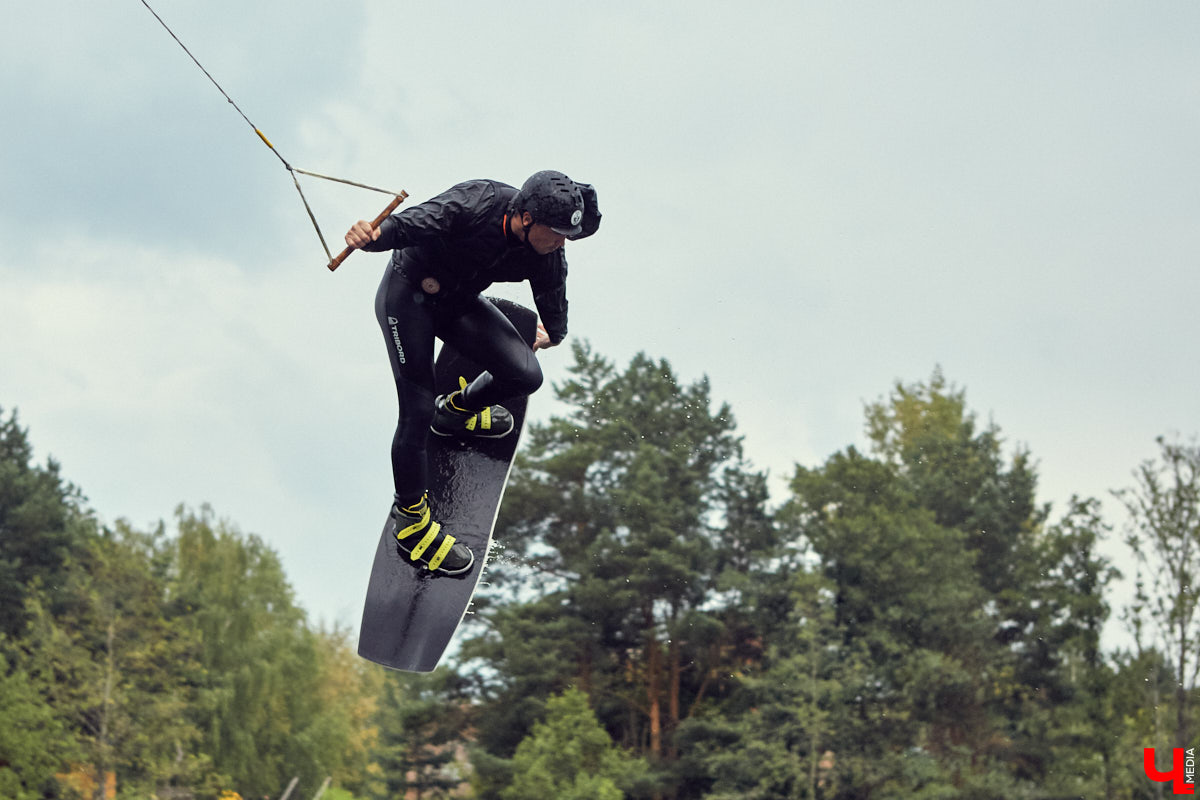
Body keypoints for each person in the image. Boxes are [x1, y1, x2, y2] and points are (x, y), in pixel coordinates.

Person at [343, 170, 601, 576]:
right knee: (416, 411)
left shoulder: (547, 250)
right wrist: (374, 235)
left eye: (567, 236)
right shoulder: (479, 201)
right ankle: (410, 522)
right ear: (527, 218)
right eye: (556, 234)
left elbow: (552, 291)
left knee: (525, 376)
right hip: (408, 298)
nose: (561, 243)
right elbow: (415, 222)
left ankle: (455, 412)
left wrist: (556, 331)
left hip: (456, 304)